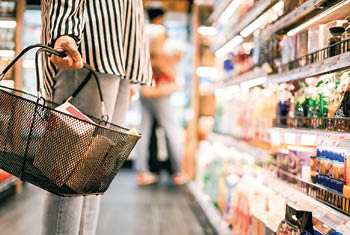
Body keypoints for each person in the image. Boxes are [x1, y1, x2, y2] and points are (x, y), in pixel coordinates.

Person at [40, 1, 152, 235]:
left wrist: (129, 68)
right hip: (87, 45)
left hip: (120, 52)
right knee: (68, 180)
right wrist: (64, 31)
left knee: (93, 179)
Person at [135, 6, 187, 185]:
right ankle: (178, 170)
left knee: (144, 129)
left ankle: (142, 171)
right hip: (160, 88)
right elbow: (162, 58)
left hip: (145, 87)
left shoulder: (141, 31)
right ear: (161, 18)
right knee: (171, 130)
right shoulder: (160, 33)